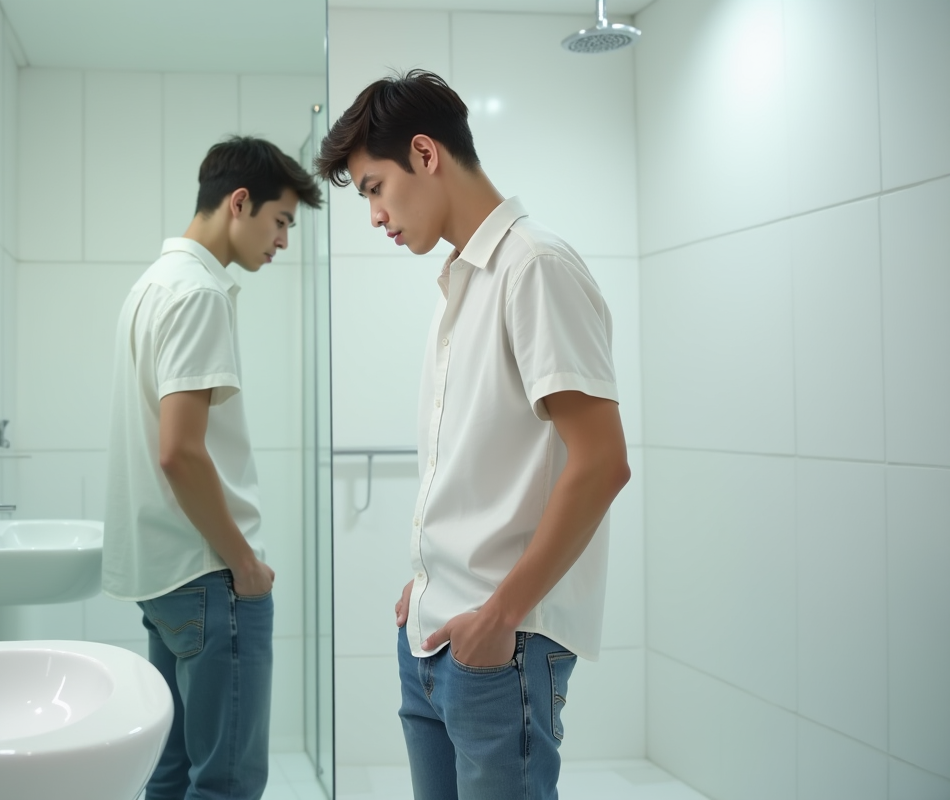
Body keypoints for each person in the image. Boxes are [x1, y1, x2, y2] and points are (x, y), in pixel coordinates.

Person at [315, 70, 631, 800]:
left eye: (374, 188)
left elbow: (602, 463)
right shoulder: (463, 278)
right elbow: (477, 464)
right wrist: (428, 580)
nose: (374, 216)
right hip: (434, 635)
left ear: (425, 154)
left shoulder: (535, 268)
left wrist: (500, 615)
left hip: (499, 646)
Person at [104, 135, 322, 800]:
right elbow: (179, 451)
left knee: (171, 773)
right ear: (239, 202)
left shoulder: (152, 285)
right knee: (227, 782)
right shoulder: (199, 294)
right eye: (280, 221)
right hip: (210, 575)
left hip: (165, 575)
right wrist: (244, 564)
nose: (283, 241)